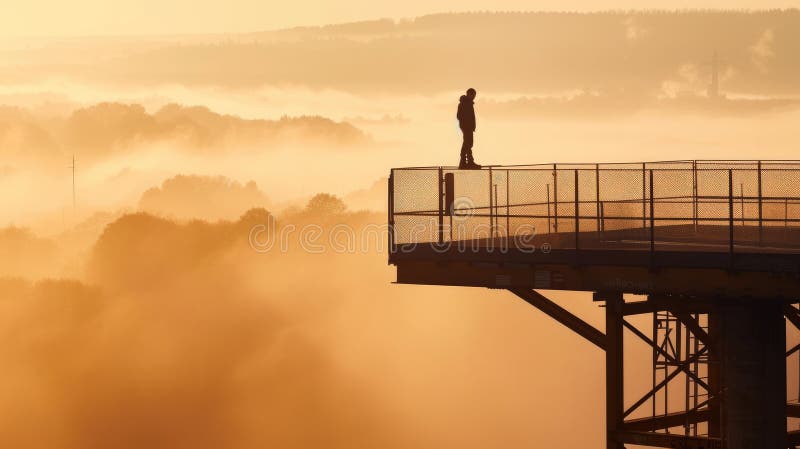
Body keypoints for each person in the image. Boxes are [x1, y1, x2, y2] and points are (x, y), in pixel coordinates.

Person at [456, 88, 481, 169]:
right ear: (469, 94)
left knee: (468, 143)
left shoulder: (467, 103)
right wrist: (467, 124)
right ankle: (466, 162)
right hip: (467, 127)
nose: (474, 97)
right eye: (473, 95)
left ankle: (466, 162)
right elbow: (459, 116)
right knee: (468, 143)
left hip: (467, 127)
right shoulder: (465, 103)